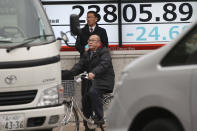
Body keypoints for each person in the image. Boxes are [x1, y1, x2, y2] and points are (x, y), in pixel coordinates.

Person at [64, 34, 114, 131]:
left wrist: (94, 72)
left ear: (98, 43)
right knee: (85, 101)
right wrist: (68, 73)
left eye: (93, 40)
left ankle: (99, 117)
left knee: (93, 92)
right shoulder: (86, 54)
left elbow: (104, 64)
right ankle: (88, 127)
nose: (89, 42)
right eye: (89, 40)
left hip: (104, 80)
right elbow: (79, 66)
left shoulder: (104, 52)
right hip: (91, 81)